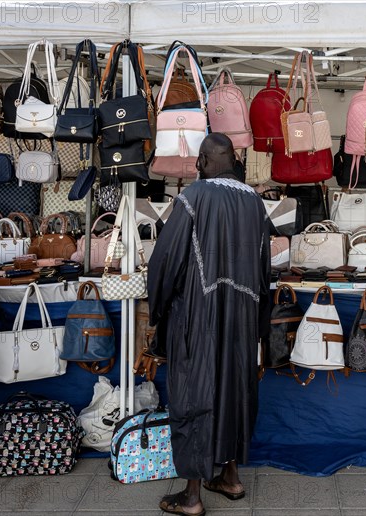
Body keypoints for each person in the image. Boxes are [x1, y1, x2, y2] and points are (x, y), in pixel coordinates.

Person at [148, 133, 271, 516]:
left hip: (198, 314)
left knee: (196, 393)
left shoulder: (193, 198)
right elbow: (266, 271)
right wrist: (260, 327)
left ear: (202, 161)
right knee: (234, 389)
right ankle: (230, 477)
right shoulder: (255, 202)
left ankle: (192, 496)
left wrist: (157, 313)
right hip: (243, 316)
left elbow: (165, 261)